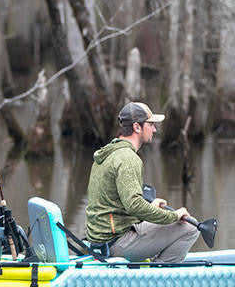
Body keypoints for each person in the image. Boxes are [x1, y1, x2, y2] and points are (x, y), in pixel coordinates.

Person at [84, 101, 200, 263]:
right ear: (137, 127)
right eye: (151, 124)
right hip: (116, 245)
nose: (155, 129)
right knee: (190, 228)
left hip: (99, 243)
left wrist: (151, 207)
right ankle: (159, 275)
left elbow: (119, 205)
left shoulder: (108, 154)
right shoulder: (128, 158)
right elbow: (134, 205)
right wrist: (173, 216)